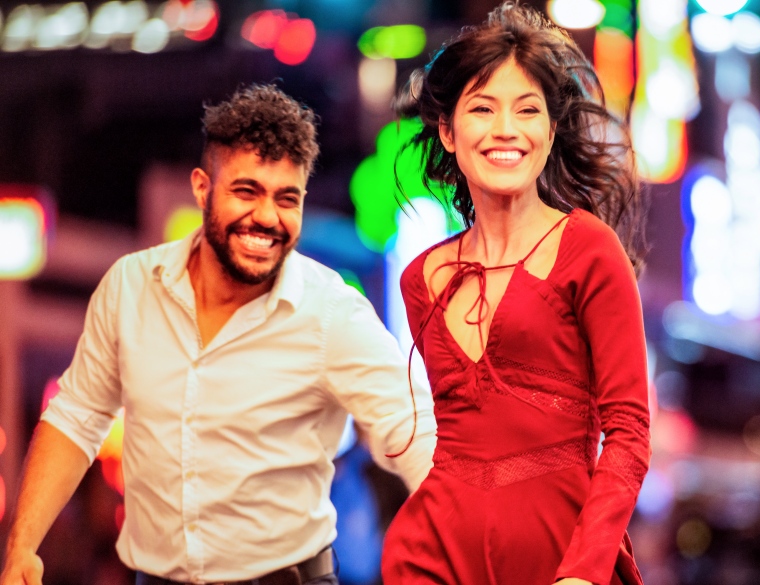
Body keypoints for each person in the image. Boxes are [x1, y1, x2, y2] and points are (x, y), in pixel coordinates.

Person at [1, 84, 436, 585]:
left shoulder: (330, 311)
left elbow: (416, 432)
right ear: (202, 188)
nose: (267, 218)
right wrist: (22, 546)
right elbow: (76, 419)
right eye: (247, 191)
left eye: (286, 198)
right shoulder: (131, 287)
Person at [380, 3, 650, 585]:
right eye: (482, 109)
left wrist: (583, 571)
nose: (506, 129)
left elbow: (629, 434)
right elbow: (454, 450)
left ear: (550, 133)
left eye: (527, 110)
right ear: (449, 133)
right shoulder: (419, 279)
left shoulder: (589, 249)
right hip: (433, 561)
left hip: (566, 566)